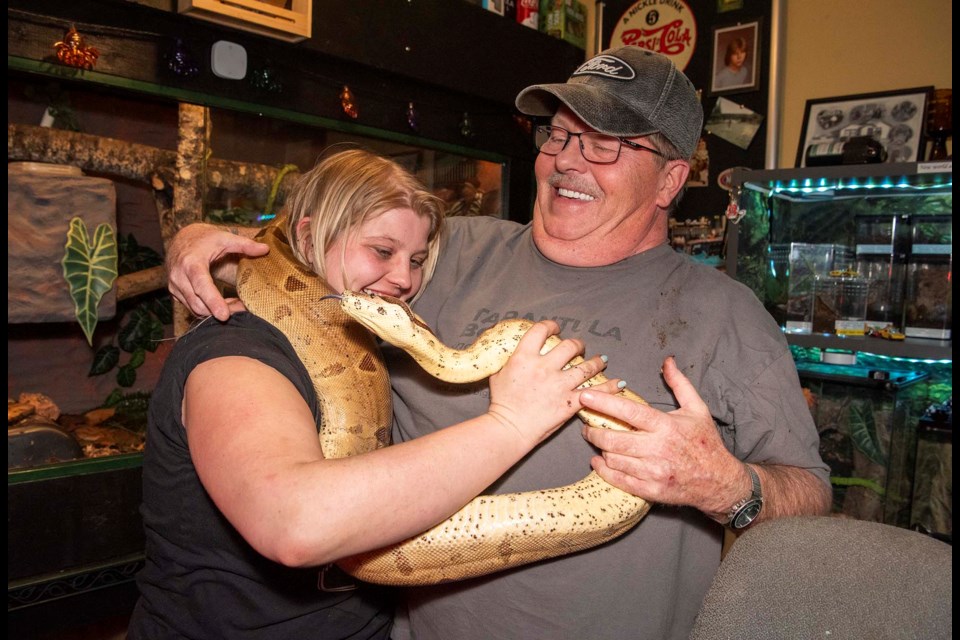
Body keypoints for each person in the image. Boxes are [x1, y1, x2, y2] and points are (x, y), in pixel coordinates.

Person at [165, 48, 833, 640]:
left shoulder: (727, 315)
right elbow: (315, 245)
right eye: (561, 133)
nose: (568, 158)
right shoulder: (447, 251)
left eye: (605, 144)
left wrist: (727, 486)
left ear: (669, 179)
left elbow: (809, 493)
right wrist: (199, 238)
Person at [128, 148, 614, 639]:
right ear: (307, 236)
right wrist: (512, 423)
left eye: (418, 260)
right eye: (382, 251)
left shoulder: (366, 338)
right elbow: (294, 523)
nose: (404, 279)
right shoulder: (233, 349)